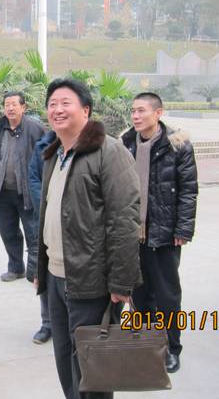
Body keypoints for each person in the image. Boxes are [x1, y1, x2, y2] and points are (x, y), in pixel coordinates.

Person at [36, 78, 141, 399]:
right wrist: (39, 269)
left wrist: (121, 282)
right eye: (52, 104)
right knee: (65, 359)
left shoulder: (109, 151)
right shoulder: (54, 154)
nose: (57, 109)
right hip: (56, 277)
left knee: (92, 369)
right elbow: (47, 216)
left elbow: (125, 219)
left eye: (65, 103)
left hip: (91, 282)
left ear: (86, 110)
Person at [121, 92, 198, 374]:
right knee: (139, 295)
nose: (136, 116)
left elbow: (188, 191)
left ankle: (171, 348)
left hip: (164, 234)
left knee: (167, 296)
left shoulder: (177, 146)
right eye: (133, 111)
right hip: (133, 234)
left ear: (158, 113)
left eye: (141, 110)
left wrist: (183, 228)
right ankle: (145, 343)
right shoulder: (125, 143)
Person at [0, 92, 45, 339]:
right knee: (8, 233)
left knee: (33, 234)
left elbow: (45, 157)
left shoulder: (35, 128)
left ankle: (34, 272)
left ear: (23, 107)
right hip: (1, 191)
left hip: (25, 193)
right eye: (6, 104)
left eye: (14, 104)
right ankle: (15, 267)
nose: (10, 108)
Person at [27, 129, 56, 344]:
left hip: (78, 225)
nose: (58, 113)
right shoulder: (42, 146)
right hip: (45, 221)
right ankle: (47, 323)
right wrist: (47, 207)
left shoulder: (96, 147)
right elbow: (34, 179)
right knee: (44, 272)